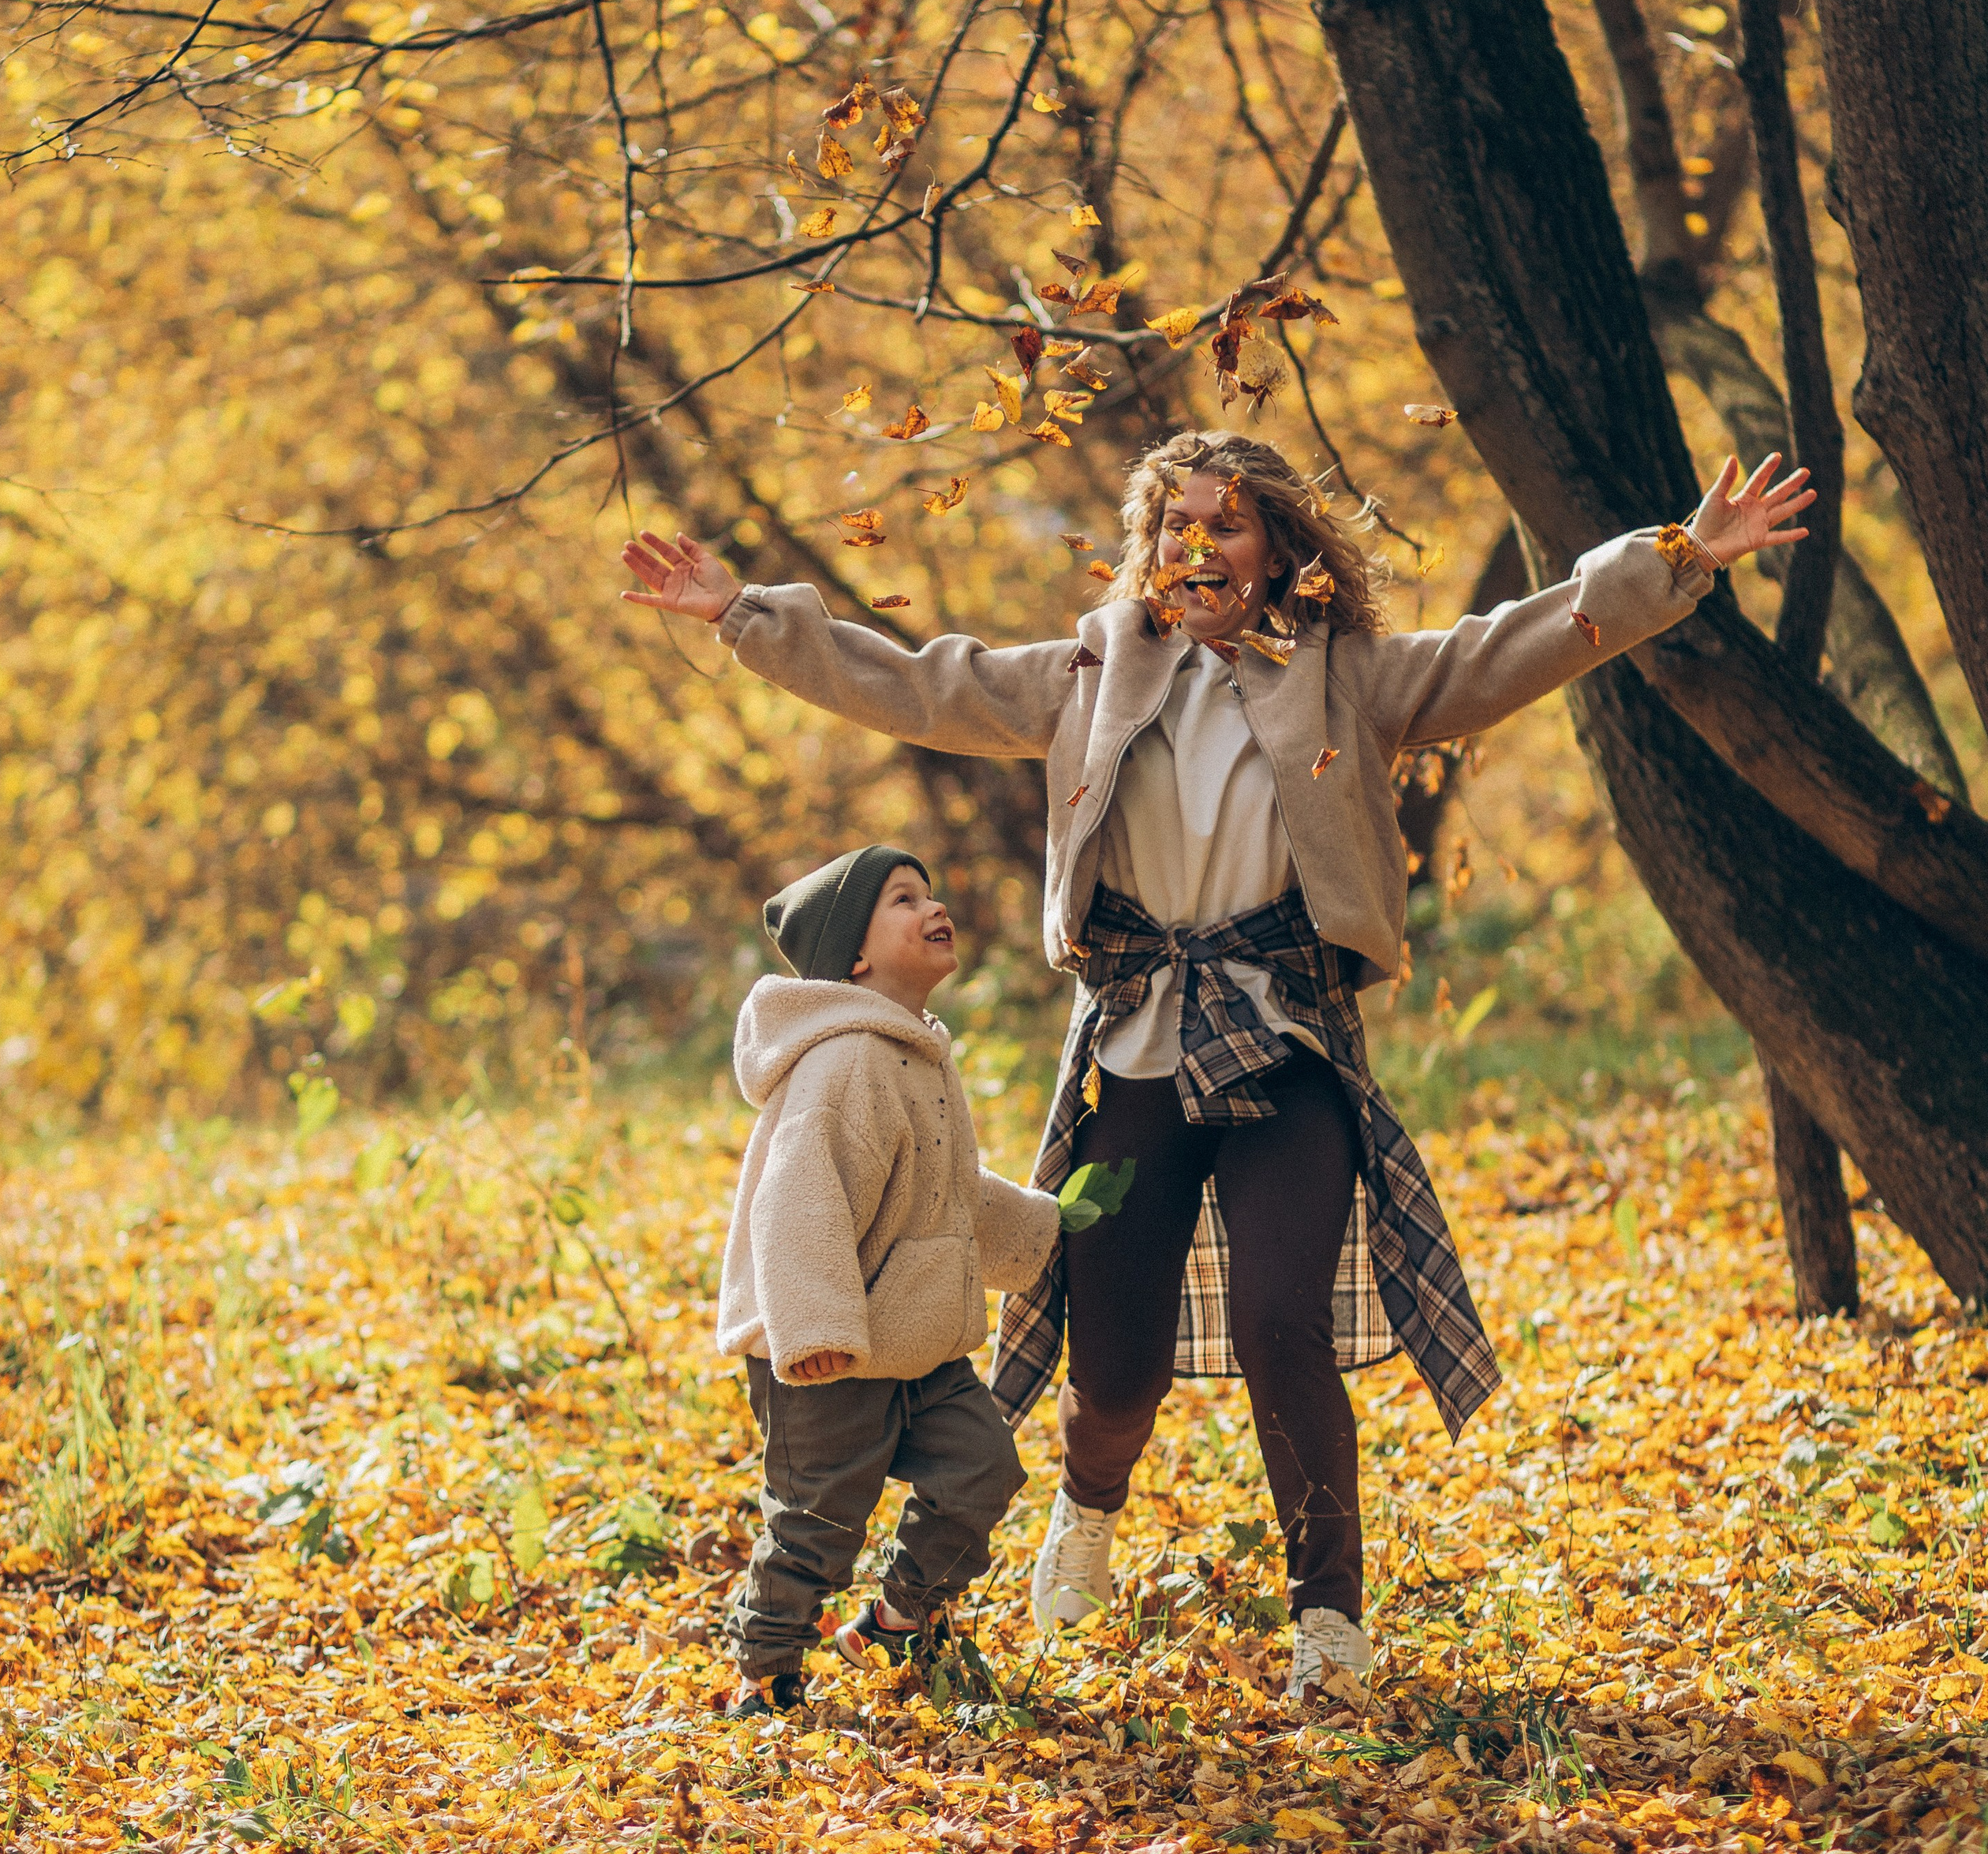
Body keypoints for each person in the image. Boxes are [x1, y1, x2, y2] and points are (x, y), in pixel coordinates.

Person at [626, 430, 1810, 1706]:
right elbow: (916, 682)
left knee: (1277, 1318)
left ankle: (1329, 1621)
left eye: (1229, 524)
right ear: (1147, 551)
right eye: (1176, 526)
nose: (1200, 546)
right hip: (1137, 1039)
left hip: (1285, 1039)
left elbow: (1515, 642)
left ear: (1279, 551)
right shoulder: (1088, 669)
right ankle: (1087, 1508)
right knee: (1116, 1353)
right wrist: (742, 614)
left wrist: (1678, 555)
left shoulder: (1346, 674)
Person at [716, 843, 1119, 1716]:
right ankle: (764, 1670)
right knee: (816, 1523)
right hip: (823, 1352)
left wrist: (1043, 1226)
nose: (931, 906)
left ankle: (900, 1616)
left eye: (929, 892)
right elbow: (798, 1199)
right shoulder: (842, 1064)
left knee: (981, 1466)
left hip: (912, 1342)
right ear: (856, 955)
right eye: (903, 898)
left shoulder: (915, 1053)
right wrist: (816, 1326)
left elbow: (944, 1192)